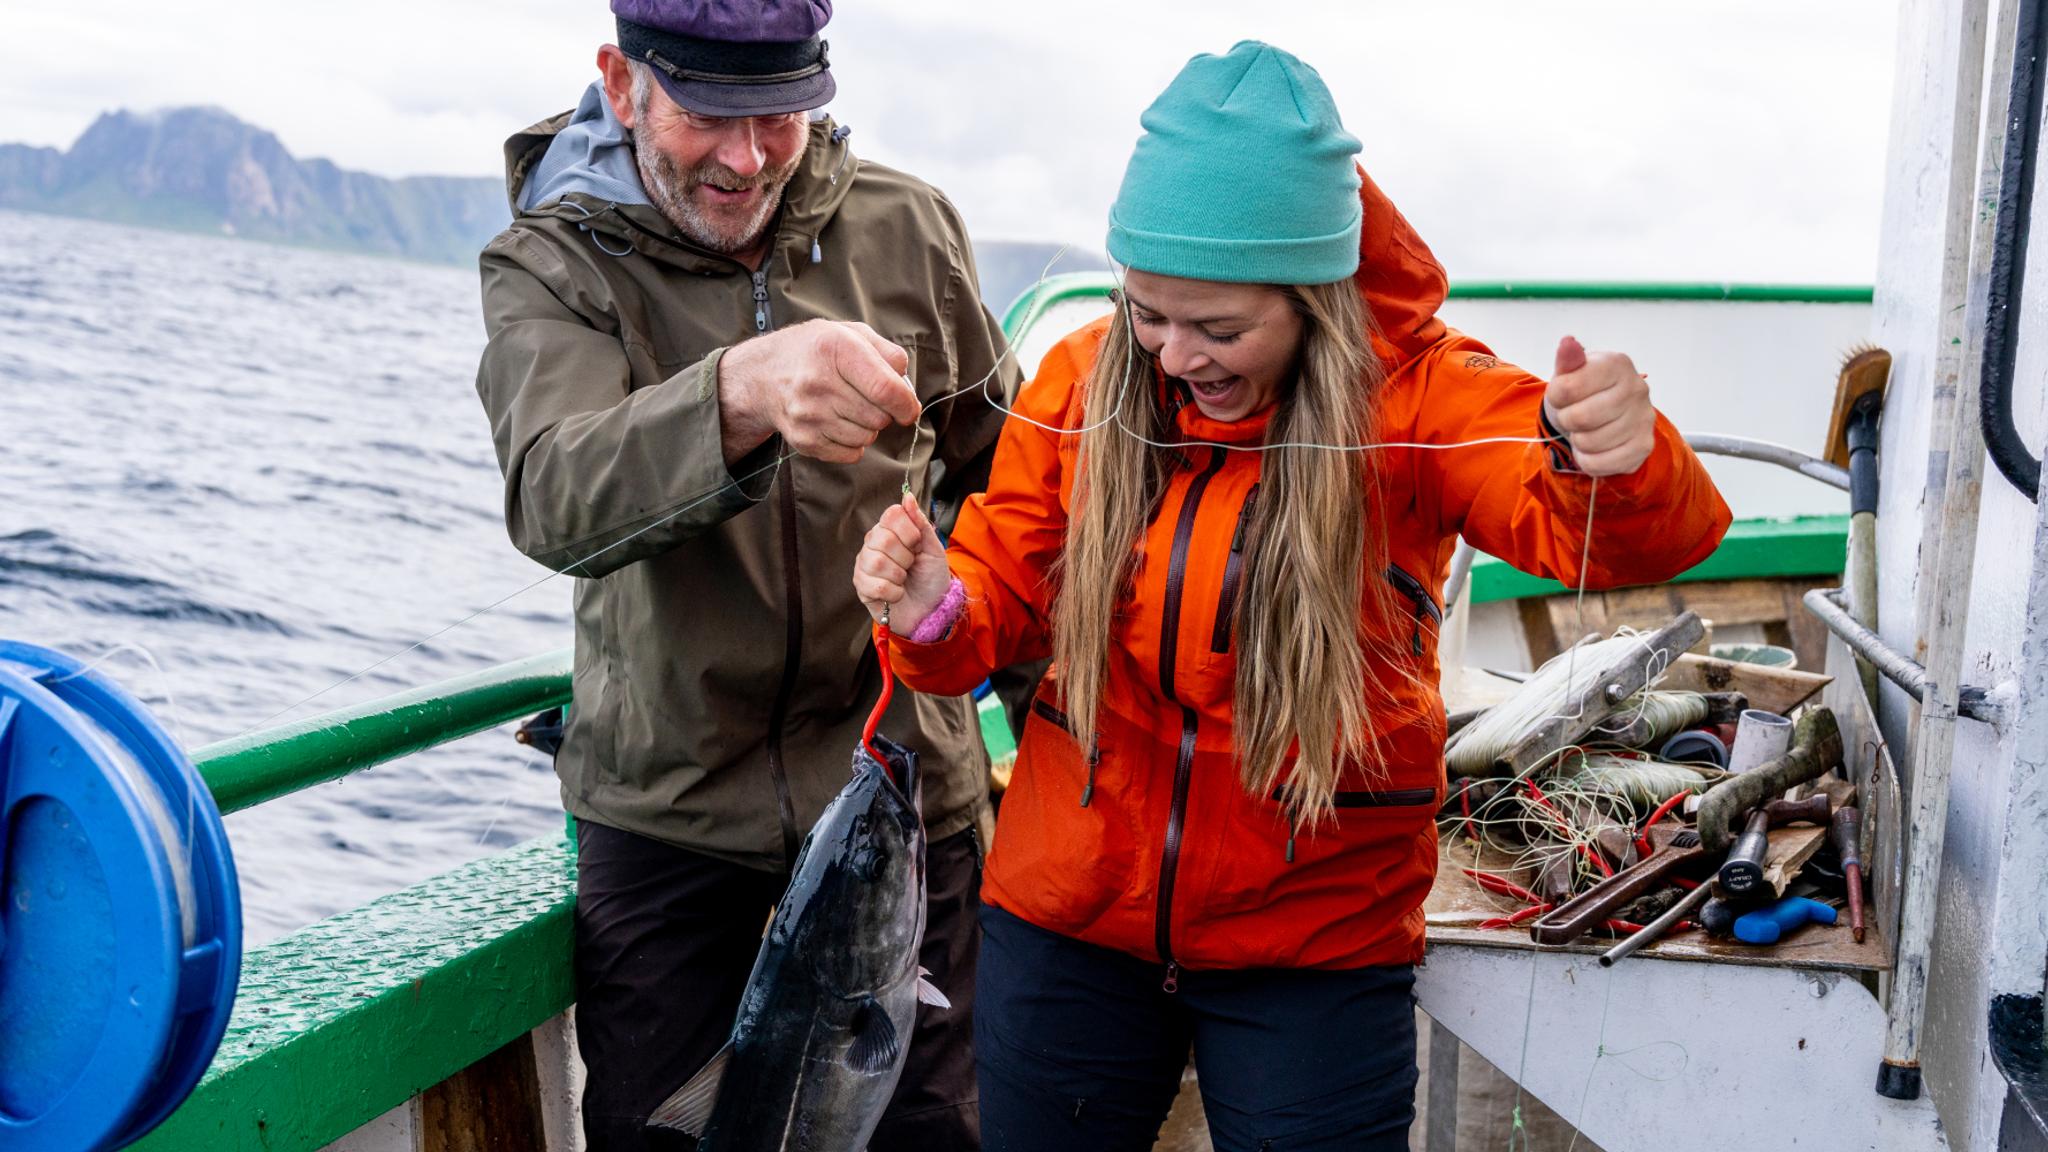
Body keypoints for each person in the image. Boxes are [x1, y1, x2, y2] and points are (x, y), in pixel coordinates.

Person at [853, 40, 1732, 1151]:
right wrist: (932, 604)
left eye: (1219, 328)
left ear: (1315, 297)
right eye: (1147, 313)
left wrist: (1614, 455)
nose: (1173, 355)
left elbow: (1622, 537)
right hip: (1067, 925)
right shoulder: (1081, 378)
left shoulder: (1419, 397)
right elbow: (992, 610)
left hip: (1313, 946)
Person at [474, 2, 1015, 1147]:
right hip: (673, 829)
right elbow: (552, 496)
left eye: (780, 114)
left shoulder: (911, 229)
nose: (747, 155)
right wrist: (738, 393)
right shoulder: (552, 260)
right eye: (707, 113)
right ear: (620, 85)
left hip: (903, 813)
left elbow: (1009, 487)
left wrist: (959, 613)